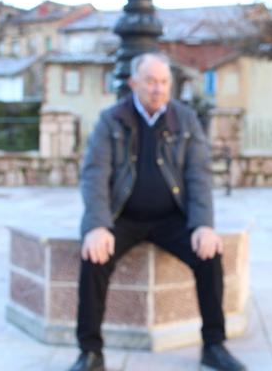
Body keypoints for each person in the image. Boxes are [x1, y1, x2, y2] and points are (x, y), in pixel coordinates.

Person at [70, 53, 246, 371]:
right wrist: (97, 225)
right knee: (92, 258)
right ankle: (90, 352)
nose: (158, 88)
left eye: (164, 82)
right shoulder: (112, 119)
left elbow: (199, 174)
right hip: (122, 216)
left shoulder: (186, 119)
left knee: (210, 256)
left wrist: (203, 224)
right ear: (133, 83)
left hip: (171, 217)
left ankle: (214, 345)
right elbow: (95, 173)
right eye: (150, 81)